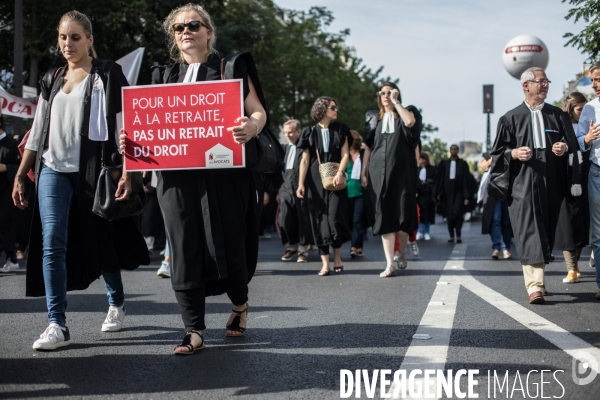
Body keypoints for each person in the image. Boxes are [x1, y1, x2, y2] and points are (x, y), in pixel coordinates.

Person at [121, 3, 267, 354]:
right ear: (173, 37)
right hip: (176, 179)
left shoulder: (229, 68)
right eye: (178, 28)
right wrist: (128, 142)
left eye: (194, 25)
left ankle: (240, 303)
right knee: (184, 247)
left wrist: (252, 126)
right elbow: (141, 125)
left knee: (231, 243)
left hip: (224, 175)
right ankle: (193, 329)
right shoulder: (161, 76)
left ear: (208, 33)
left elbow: (257, 110)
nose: (186, 31)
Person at [12, 11, 150, 350]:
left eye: (75, 37)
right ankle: (56, 324)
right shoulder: (52, 78)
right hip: (52, 171)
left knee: (101, 239)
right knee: (52, 242)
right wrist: (20, 174)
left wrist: (129, 172)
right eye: (62, 37)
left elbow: (125, 125)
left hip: (94, 172)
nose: (67, 44)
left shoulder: (107, 73)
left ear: (90, 39)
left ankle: (116, 301)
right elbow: (36, 133)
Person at [491, 67, 580, 304]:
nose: (545, 85)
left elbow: (572, 144)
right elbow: (497, 154)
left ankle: (540, 279)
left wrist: (564, 147)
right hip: (522, 184)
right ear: (526, 85)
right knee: (529, 231)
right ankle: (535, 286)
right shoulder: (510, 118)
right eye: (540, 81)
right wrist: (514, 152)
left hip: (552, 182)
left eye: (547, 81)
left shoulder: (557, 115)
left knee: (548, 230)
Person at [361, 82, 421, 277]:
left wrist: (396, 102)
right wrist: (364, 171)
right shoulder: (373, 118)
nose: (385, 95)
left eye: (390, 92)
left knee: (403, 218)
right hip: (378, 173)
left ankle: (402, 252)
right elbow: (369, 147)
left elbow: (410, 123)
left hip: (402, 174)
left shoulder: (407, 112)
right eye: (383, 93)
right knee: (384, 217)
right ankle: (389, 264)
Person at [296, 96, 351, 276]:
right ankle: (325, 263)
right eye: (332, 107)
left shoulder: (342, 130)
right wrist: (301, 183)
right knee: (319, 220)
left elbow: (345, 155)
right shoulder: (308, 132)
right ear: (322, 110)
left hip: (337, 177)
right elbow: (304, 160)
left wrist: (340, 173)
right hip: (314, 180)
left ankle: (337, 257)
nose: (336, 110)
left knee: (334, 218)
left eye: (336, 107)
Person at [555, 92, 589, 283]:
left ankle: (575, 266)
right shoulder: (560, 124)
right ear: (570, 108)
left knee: (582, 224)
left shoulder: (586, 124)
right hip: (566, 180)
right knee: (568, 224)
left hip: (584, 177)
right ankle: (571, 269)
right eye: (579, 109)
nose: (582, 113)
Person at [576, 61, 600, 299]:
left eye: (598, 79)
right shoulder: (589, 108)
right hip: (597, 173)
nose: (594, 85)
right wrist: (588, 138)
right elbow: (578, 140)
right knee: (599, 234)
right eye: (593, 80)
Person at [278, 119, 309, 263]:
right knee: (284, 218)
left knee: (303, 219)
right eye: (285, 132)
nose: (287, 135)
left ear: (298, 132)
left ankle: (303, 250)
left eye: (290, 132)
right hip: (286, 187)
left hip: (301, 186)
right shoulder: (285, 148)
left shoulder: (304, 147)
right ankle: (290, 246)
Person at [479, 152, 512, 259]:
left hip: (507, 192)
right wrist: (491, 161)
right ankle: (496, 248)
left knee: (507, 221)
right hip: (494, 193)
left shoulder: (509, 152)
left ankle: (506, 248)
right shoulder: (492, 154)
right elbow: (483, 167)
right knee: (496, 219)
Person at [435, 144, 470, 243]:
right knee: (449, 214)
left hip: (458, 192)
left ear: (458, 151)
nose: (454, 151)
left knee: (457, 213)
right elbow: (440, 179)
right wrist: (439, 192)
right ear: (450, 151)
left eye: (455, 149)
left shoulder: (462, 164)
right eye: (452, 149)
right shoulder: (444, 164)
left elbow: (466, 180)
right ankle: (451, 235)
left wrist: (466, 194)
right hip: (447, 192)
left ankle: (458, 235)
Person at [0, 113, 21, 273]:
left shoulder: (12, 144)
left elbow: (21, 167)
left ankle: (11, 257)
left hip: (7, 191)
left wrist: (6, 168)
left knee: (5, 223)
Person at [347, 130, 365, 258]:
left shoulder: (363, 154)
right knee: (348, 220)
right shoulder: (343, 154)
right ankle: (357, 246)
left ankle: (356, 246)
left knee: (358, 220)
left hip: (360, 191)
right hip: (345, 191)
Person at [416, 152, 436, 241]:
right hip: (418, 195)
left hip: (428, 195)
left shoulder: (432, 169)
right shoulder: (416, 169)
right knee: (419, 214)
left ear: (424, 159)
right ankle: (419, 231)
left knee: (427, 214)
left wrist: (424, 182)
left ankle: (426, 232)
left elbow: (434, 181)